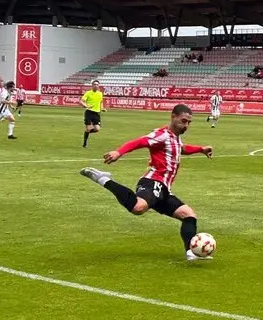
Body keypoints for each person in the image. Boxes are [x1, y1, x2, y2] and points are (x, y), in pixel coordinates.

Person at [78, 104, 213, 260]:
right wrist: (119, 152)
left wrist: (201, 149)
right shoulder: (161, 135)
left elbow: (181, 148)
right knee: (138, 207)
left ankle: (191, 253)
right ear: (173, 117)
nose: (186, 125)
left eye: (189, 122)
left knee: (189, 216)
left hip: (164, 189)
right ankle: (102, 178)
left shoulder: (175, 138)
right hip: (152, 181)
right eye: (183, 121)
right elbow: (140, 142)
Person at [81, 81, 105, 148]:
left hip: (96, 113)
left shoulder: (100, 93)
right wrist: (85, 106)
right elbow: (81, 101)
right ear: (92, 85)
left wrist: (102, 108)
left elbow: (101, 102)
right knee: (89, 128)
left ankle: (86, 132)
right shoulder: (88, 93)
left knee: (97, 129)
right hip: (89, 112)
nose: (96, 85)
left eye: (97, 84)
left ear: (98, 86)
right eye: (94, 84)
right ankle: (85, 143)